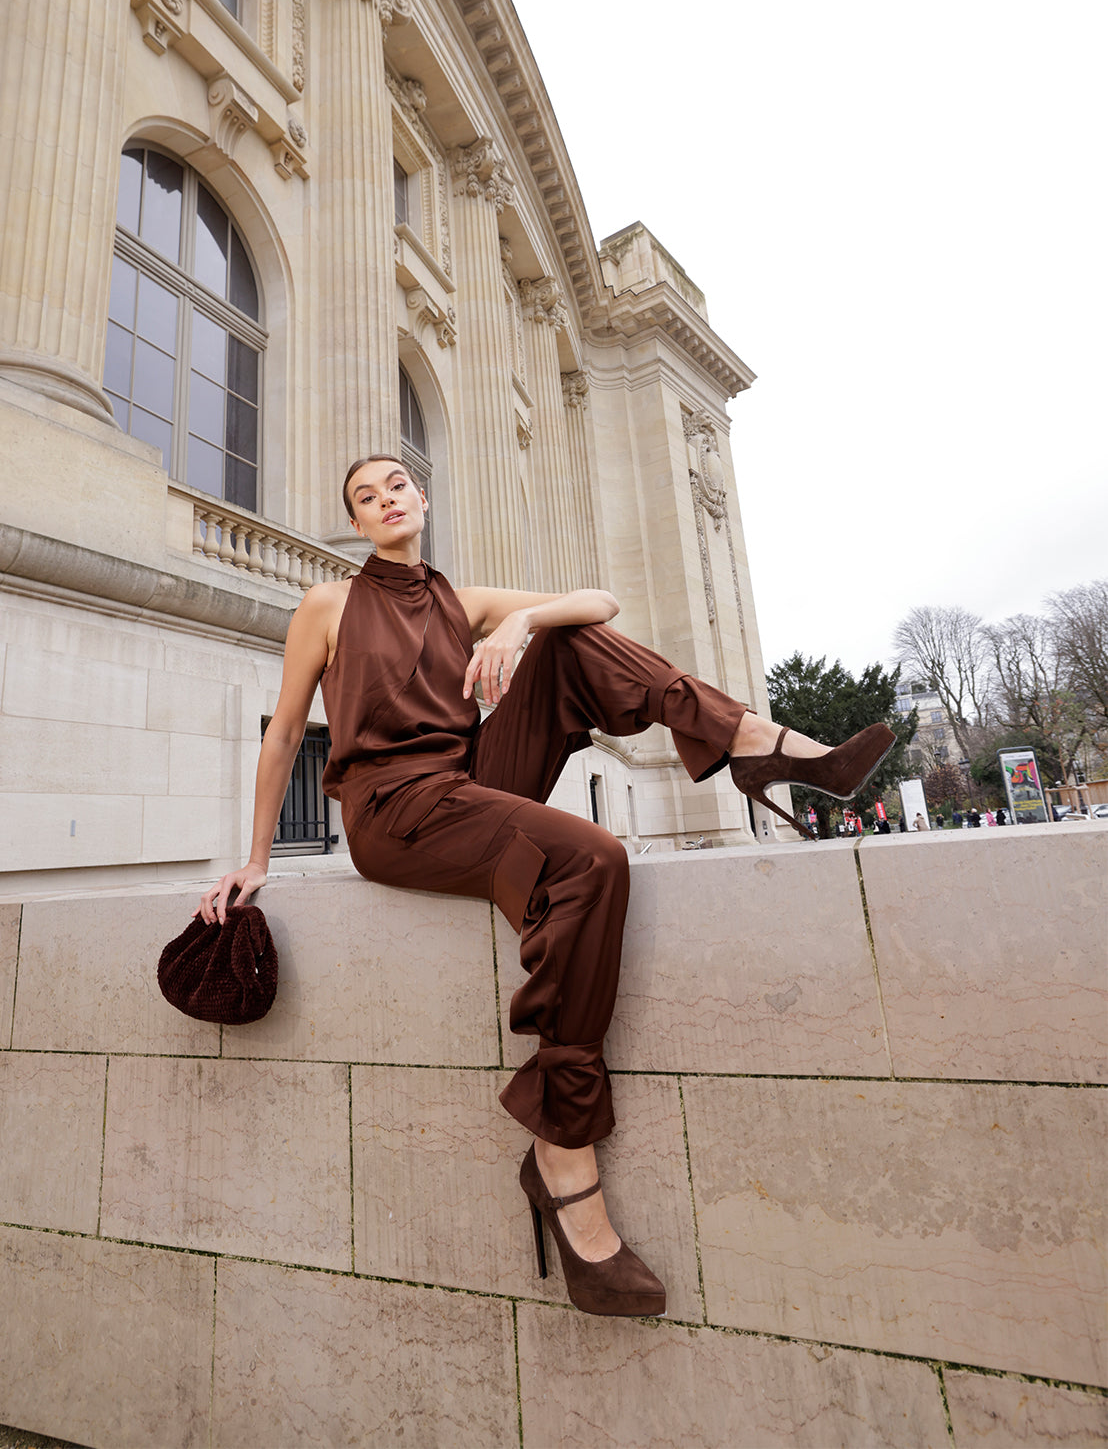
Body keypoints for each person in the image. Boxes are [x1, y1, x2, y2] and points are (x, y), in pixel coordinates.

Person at [198, 456, 896, 1319]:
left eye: (395, 487)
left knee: (569, 636)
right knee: (592, 858)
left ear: (423, 499)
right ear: (357, 521)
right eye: (363, 497)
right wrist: (257, 856)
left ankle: (754, 739)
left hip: (469, 780)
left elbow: (601, 603)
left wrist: (517, 624)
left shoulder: (465, 603)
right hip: (394, 809)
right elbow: (280, 738)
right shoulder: (328, 606)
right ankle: (563, 1155)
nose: (383, 501)